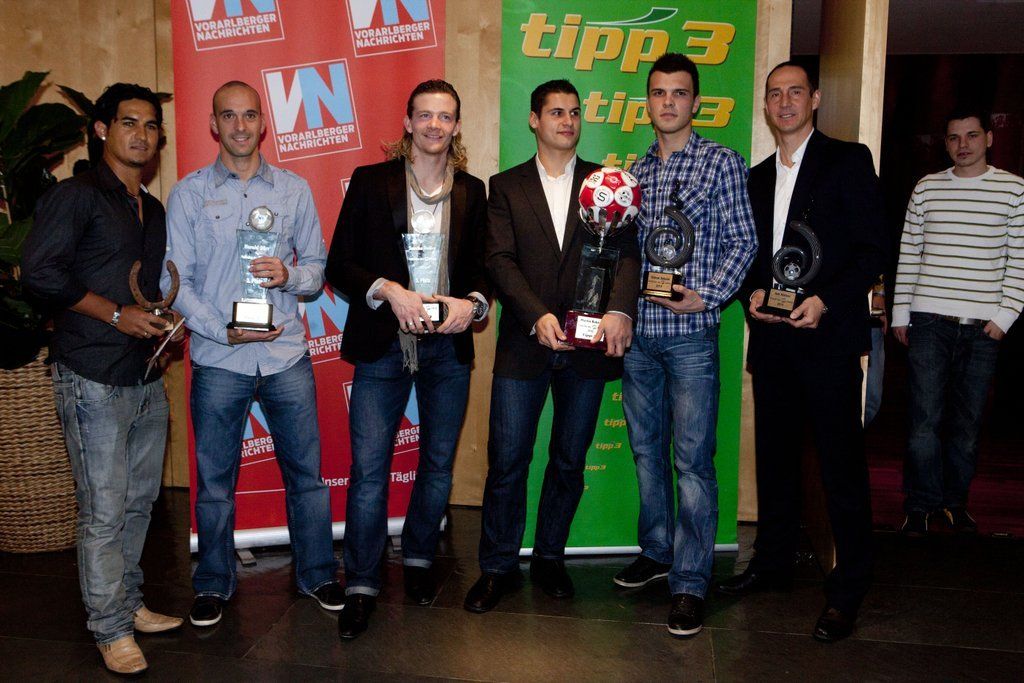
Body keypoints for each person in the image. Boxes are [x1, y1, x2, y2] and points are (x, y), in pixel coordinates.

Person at [719, 61, 886, 644]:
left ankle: (849, 587)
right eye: (775, 94)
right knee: (775, 460)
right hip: (772, 340)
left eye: (795, 92)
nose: (784, 102)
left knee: (841, 466)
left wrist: (827, 302)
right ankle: (772, 563)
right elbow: (746, 254)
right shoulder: (756, 177)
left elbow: (872, 250)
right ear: (765, 105)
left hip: (828, 339)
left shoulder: (848, 161)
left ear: (814, 99)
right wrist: (750, 295)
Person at [165, 81, 341, 629]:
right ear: (213, 125)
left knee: (306, 476)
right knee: (215, 482)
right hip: (220, 358)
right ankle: (213, 582)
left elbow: (318, 269)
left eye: (248, 115)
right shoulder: (189, 194)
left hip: (285, 354)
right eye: (228, 116)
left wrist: (289, 275)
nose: (239, 126)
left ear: (264, 123)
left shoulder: (293, 189)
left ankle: (318, 573)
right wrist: (220, 331)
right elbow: (176, 280)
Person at [23, 83, 182, 675]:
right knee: (104, 510)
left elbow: (140, 287)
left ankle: (128, 603)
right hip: (90, 374)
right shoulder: (76, 196)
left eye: (151, 125)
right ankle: (109, 627)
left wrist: (161, 323)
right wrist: (116, 316)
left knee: (139, 504)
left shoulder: (152, 208)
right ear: (101, 130)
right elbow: (39, 273)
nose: (141, 135)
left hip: (143, 373)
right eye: (128, 123)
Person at [463, 80, 640, 613]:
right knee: (508, 461)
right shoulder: (505, 186)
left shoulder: (607, 183)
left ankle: (549, 558)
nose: (568, 121)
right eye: (556, 112)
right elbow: (498, 259)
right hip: (525, 345)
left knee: (568, 461)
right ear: (534, 120)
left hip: (587, 349)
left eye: (575, 112)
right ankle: (497, 566)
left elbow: (627, 255)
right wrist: (535, 314)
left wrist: (620, 310)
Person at [326, 79, 489, 639]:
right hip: (382, 344)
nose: (434, 125)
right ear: (407, 121)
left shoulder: (473, 191)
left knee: (438, 464)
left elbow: (483, 270)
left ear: (456, 125)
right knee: (369, 471)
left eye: (445, 116)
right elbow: (339, 263)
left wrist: (473, 304)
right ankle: (362, 583)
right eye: (425, 115)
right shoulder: (371, 182)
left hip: (447, 347)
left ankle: (419, 558)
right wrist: (388, 290)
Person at [615, 54, 758, 638]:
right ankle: (657, 550)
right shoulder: (634, 172)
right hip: (639, 336)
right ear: (647, 103)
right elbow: (624, 252)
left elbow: (745, 242)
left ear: (696, 103)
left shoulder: (722, 162)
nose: (668, 102)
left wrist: (709, 297)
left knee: (692, 462)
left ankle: (691, 581)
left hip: (692, 337)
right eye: (659, 93)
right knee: (646, 452)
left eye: (679, 93)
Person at [892, 109, 1024, 536]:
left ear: (989, 138)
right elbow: (909, 253)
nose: (962, 144)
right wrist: (900, 313)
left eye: (971, 135)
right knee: (923, 420)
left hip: (984, 326)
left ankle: (954, 504)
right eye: (953, 137)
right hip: (929, 320)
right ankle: (920, 505)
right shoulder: (927, 188)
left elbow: (1020, 259)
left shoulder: (1014, 190)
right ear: (945, 143)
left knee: (966, 425)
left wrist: (1005, 316)